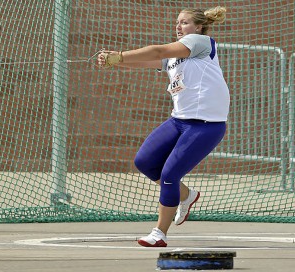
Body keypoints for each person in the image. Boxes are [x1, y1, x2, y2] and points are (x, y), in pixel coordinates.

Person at [98, 6, 230, 247]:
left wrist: (120, 54)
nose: (179, 27)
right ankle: (186, 196)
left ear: (198, 27)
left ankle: (159, 233)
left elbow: (157, 49)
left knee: (170, 175)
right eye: (178, 22)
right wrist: (114, 62)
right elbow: (149, 61)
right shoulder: (175, 55)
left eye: (185, 22)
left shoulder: (200, 42)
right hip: (179, 120)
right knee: (145, 161)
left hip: (206, 125)